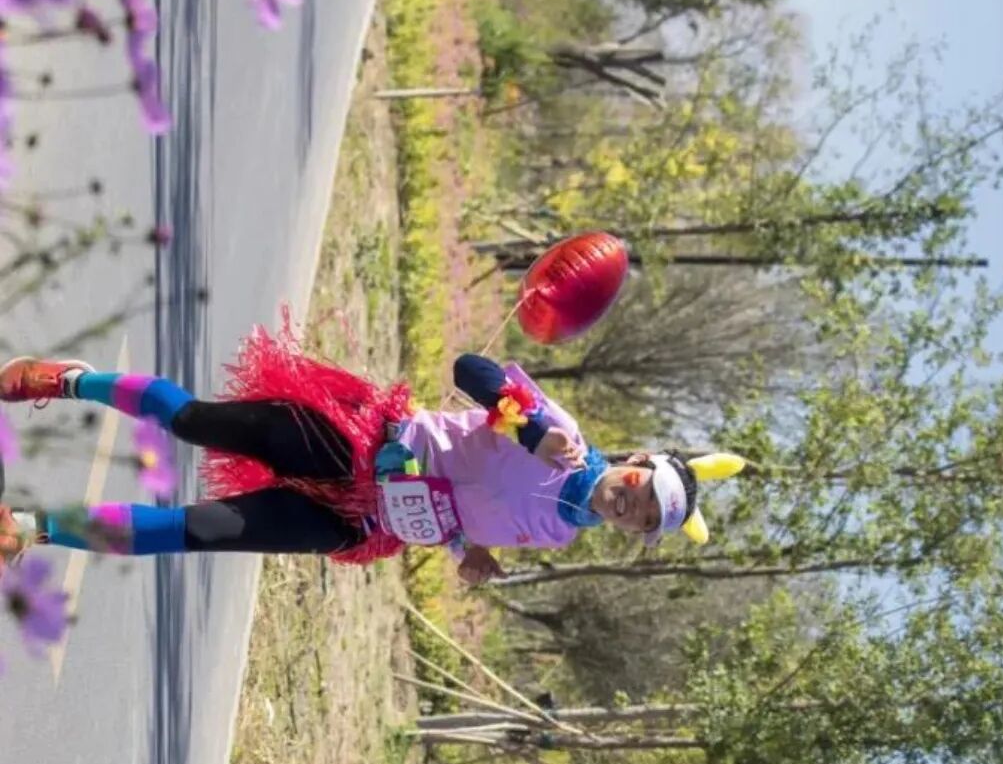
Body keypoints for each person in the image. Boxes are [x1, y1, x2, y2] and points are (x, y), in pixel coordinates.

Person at [0, 312, 743, 580]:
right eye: (643, 494)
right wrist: (525, 426)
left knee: (199, 532)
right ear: (636, 463)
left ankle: (32, 528)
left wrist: (466, 551)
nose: (631, 510)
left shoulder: (559, 534)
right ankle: (72, 381)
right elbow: (471, 370)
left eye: (645, 523)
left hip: (362, 522)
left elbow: (457, 509)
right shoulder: (563, 437)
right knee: (195, 423)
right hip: (355, 442)